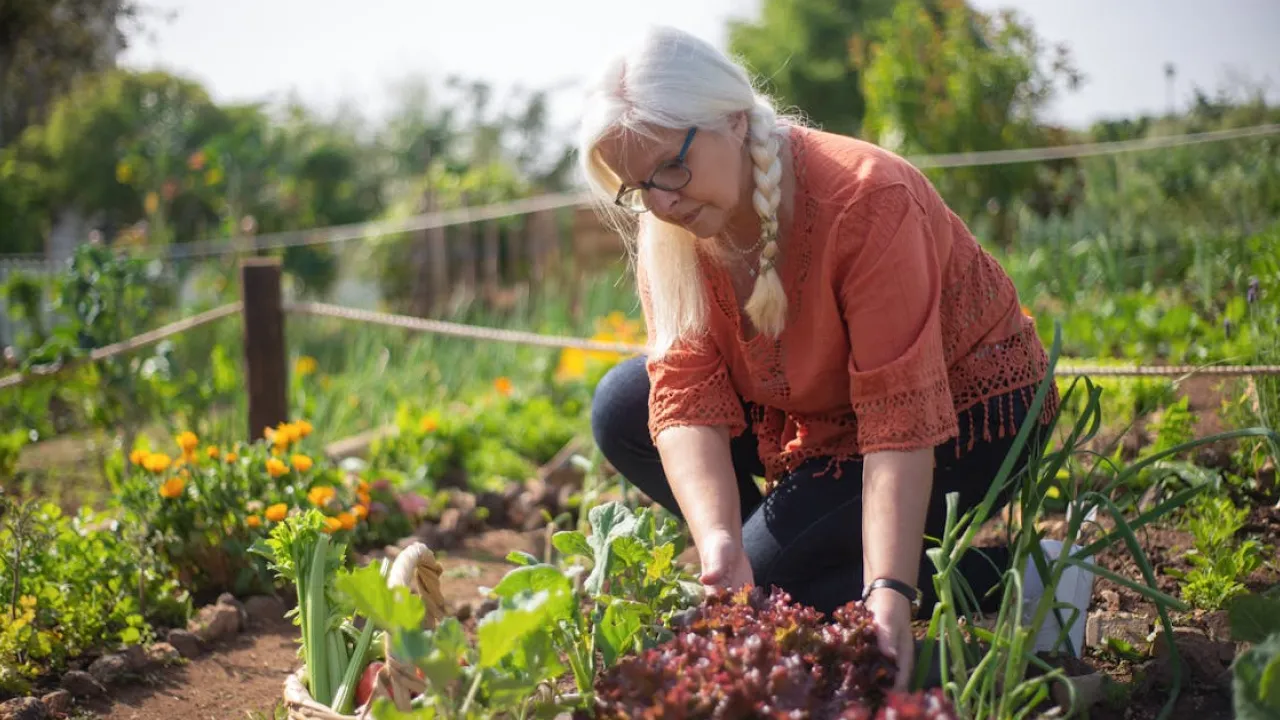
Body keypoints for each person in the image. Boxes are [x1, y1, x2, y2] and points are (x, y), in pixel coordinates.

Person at [577, 25, 1071, 689]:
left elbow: (900, 421)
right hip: (823, 418)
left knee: (777, 586)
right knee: (622, 405)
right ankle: (797, 559)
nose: (661, 203)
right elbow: (685, 391)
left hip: (969, 417)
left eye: (670, 166)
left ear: (729, 118)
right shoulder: (674, 228)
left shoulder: (867, 199)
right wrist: (720, 541)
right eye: (638, 187)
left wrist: (890, 589)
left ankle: (1029, 571)